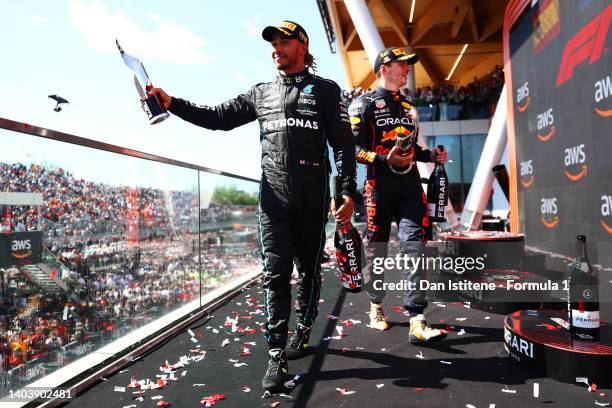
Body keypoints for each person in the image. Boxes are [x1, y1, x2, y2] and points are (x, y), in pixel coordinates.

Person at [147, 20, 356, 391]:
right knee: (275, 275)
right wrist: (172, 103)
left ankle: (304, 329)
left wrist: (346, 191)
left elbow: (343, 144)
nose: (276, 47)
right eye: (273, 43)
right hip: (273, 198)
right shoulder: (261, 92)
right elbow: (217, 118)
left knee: (308, 269)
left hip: (313, 197)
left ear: (303, 47)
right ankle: (276, 354)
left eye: (284, 41)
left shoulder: (326, 90)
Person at [348, 47, 447, 342]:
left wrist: (430, 155)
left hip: (410, 187)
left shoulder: (408, 105)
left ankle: (417, 317)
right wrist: (383, 160)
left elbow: (410, 148)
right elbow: (354, 150)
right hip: (378, 187)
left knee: (415, 247)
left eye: (407, 66)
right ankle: (376, 306)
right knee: (376, 249)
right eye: (401, 65)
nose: (407, 70)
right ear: (384, 68)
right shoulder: (362, 104)